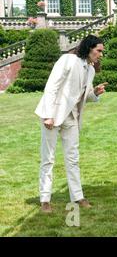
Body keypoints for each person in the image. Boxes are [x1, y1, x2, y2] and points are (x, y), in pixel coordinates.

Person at [34, 35, 108, 213]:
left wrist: (95, 93)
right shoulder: (67, 60)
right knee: (48, 159)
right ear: (89, 48)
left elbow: (83, 96)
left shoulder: (90, 70)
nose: (100, 55)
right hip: (53, 115)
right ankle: (45, 200)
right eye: (99, 51)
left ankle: (78, 197)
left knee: (73, 159)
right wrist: (48, 115)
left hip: (73, 118)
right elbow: (52, 86)